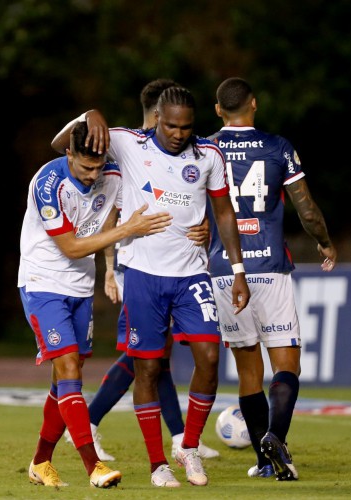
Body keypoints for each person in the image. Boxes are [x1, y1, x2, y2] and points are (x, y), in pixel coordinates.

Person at [54, 85, 250, 488]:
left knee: (209, 359)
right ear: (157, 119)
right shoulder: (127, 143)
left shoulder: (209, 156)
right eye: (172, 126)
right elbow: (62, 146)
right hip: (142, 274)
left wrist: (238, 267)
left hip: (191, 273)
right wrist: (89, 114)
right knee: (147, 366)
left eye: (187, 127)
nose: (180, 134)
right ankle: (157, 464)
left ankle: (188, 446)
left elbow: (224, 211)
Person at [18, 121, 172, 488]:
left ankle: (40, 462)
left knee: (64, 380)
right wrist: (125, 233)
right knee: (69, 367)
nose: (92, 175)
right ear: (68, 154)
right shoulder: (47, 184)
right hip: (42, 284)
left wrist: (107, 269)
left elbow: (109, 220)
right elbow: (71, 246)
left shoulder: (113, 175)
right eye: (85, 167)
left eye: (98, 167)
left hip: (80, 287)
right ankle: (93, 466)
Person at [206, 77, 337, 480]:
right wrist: (326, 243)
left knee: (248, 371)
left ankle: (264, 462)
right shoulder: (278, 147)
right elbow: (307, 209)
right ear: (254, 105)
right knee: (286, 365)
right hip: (270, 269)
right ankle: (275, 437)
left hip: (225, 270)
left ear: (217, 110)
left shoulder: (204, 150)